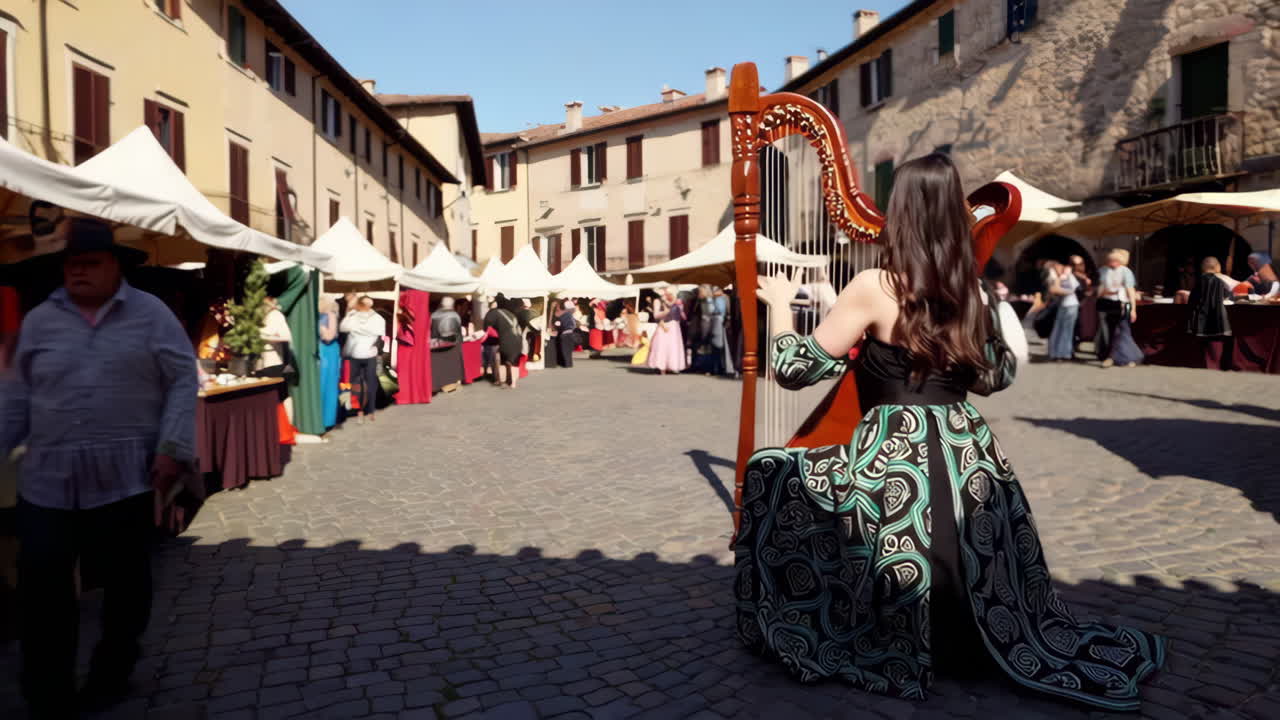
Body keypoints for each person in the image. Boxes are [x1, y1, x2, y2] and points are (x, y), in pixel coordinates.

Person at [739, 154, 1164, 710]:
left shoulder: (873, 284)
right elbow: (996, 379)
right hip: (967, 443)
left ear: (902, 216)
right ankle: (978, 635)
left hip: (894, 451)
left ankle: (853, 624)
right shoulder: (975, 290)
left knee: (771, 472)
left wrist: (777, 310)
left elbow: (797, 372)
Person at [1, 218, 198, 717]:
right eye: (72, 264)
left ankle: (112, 673)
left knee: (126, 586)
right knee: (43, 588)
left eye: (90, 263)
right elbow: (15, 398)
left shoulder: (151, 314)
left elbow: (181, 379)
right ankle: (48, 691)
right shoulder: (41, 320)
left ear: (115, 267)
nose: (79, 272)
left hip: (124, 478)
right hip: (47, 480)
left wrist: (172, 445)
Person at [1095, 249, 1143, 368]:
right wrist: (1106, 292)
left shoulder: (1126, 272)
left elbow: (1130, 291)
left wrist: (1133, 309)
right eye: (1111, 260)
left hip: (1120, 304)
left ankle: (1117, 357)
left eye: (1115, 261)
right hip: (1105, 303)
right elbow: (1099, 291)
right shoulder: (1102, 271)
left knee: (1120, 332)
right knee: (1106, 332)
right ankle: (1107, 355)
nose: (1113, 263)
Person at [340, 295, 385, 423]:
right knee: (361, 384)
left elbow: (344, 328)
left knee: (366, 384)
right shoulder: (358, 316)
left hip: (365, 354)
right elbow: (343, 328)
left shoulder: (375, 318)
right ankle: (364, 411)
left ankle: (367, 410)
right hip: (361, 354)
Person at [1187, 256, 1234, 370]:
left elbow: (1192, 300)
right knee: (1215, 347)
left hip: (1201, 319)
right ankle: (1215, 367)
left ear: (1203, 268)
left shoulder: (1199, 281)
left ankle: (1202, 366)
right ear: (1217, 267)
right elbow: (1227, 295)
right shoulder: (1220, 281)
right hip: (1218, 319)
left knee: (1201, 347)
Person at [484, 295, 524, 388]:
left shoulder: (493, 313)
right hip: (518, 340)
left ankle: (500, 380)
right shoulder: (510, 313)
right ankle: (512, 382)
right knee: (511, 361)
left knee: (501, 358)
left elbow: (486, 328)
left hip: (506, 341)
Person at [646, 286, 687, 374]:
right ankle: (661, 367)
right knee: (662, 346)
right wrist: (665, 312)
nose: (668, 295)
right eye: (666, 292)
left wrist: (681, 308)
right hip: (664, 325)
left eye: (670, 293)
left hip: (675, 327)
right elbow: (656, 316)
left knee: (673, 347)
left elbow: (683, 317)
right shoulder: (658, 301)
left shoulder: (678, 302)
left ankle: (671, 366)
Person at [1047, 261, 1079, 361]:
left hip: (1069, 304)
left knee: (1064, 330)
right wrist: (1069, 291)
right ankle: (1059, 353)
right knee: (1062, 329)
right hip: (1066, 304)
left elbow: (1074, 288)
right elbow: (1055, 290)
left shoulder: (1068, 276)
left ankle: (1062, 353)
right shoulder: (1057, 276)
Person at [318, 297, 341, 429]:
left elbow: (329, 336)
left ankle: (327, 419)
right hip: (322, 350)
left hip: (328, 351)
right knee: (321, 384)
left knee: (327, 384)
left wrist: (320, 327)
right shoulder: (318, 316)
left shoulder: (330, 315)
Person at [551, 299, 577, 368]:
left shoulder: (563, 314)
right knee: (567, 350)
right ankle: (568, 364)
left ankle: (567, 364)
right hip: (569, 333)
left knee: (565, 350)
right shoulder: (568, 314)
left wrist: (552, 309)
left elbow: (558, 324)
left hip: (565, 334)